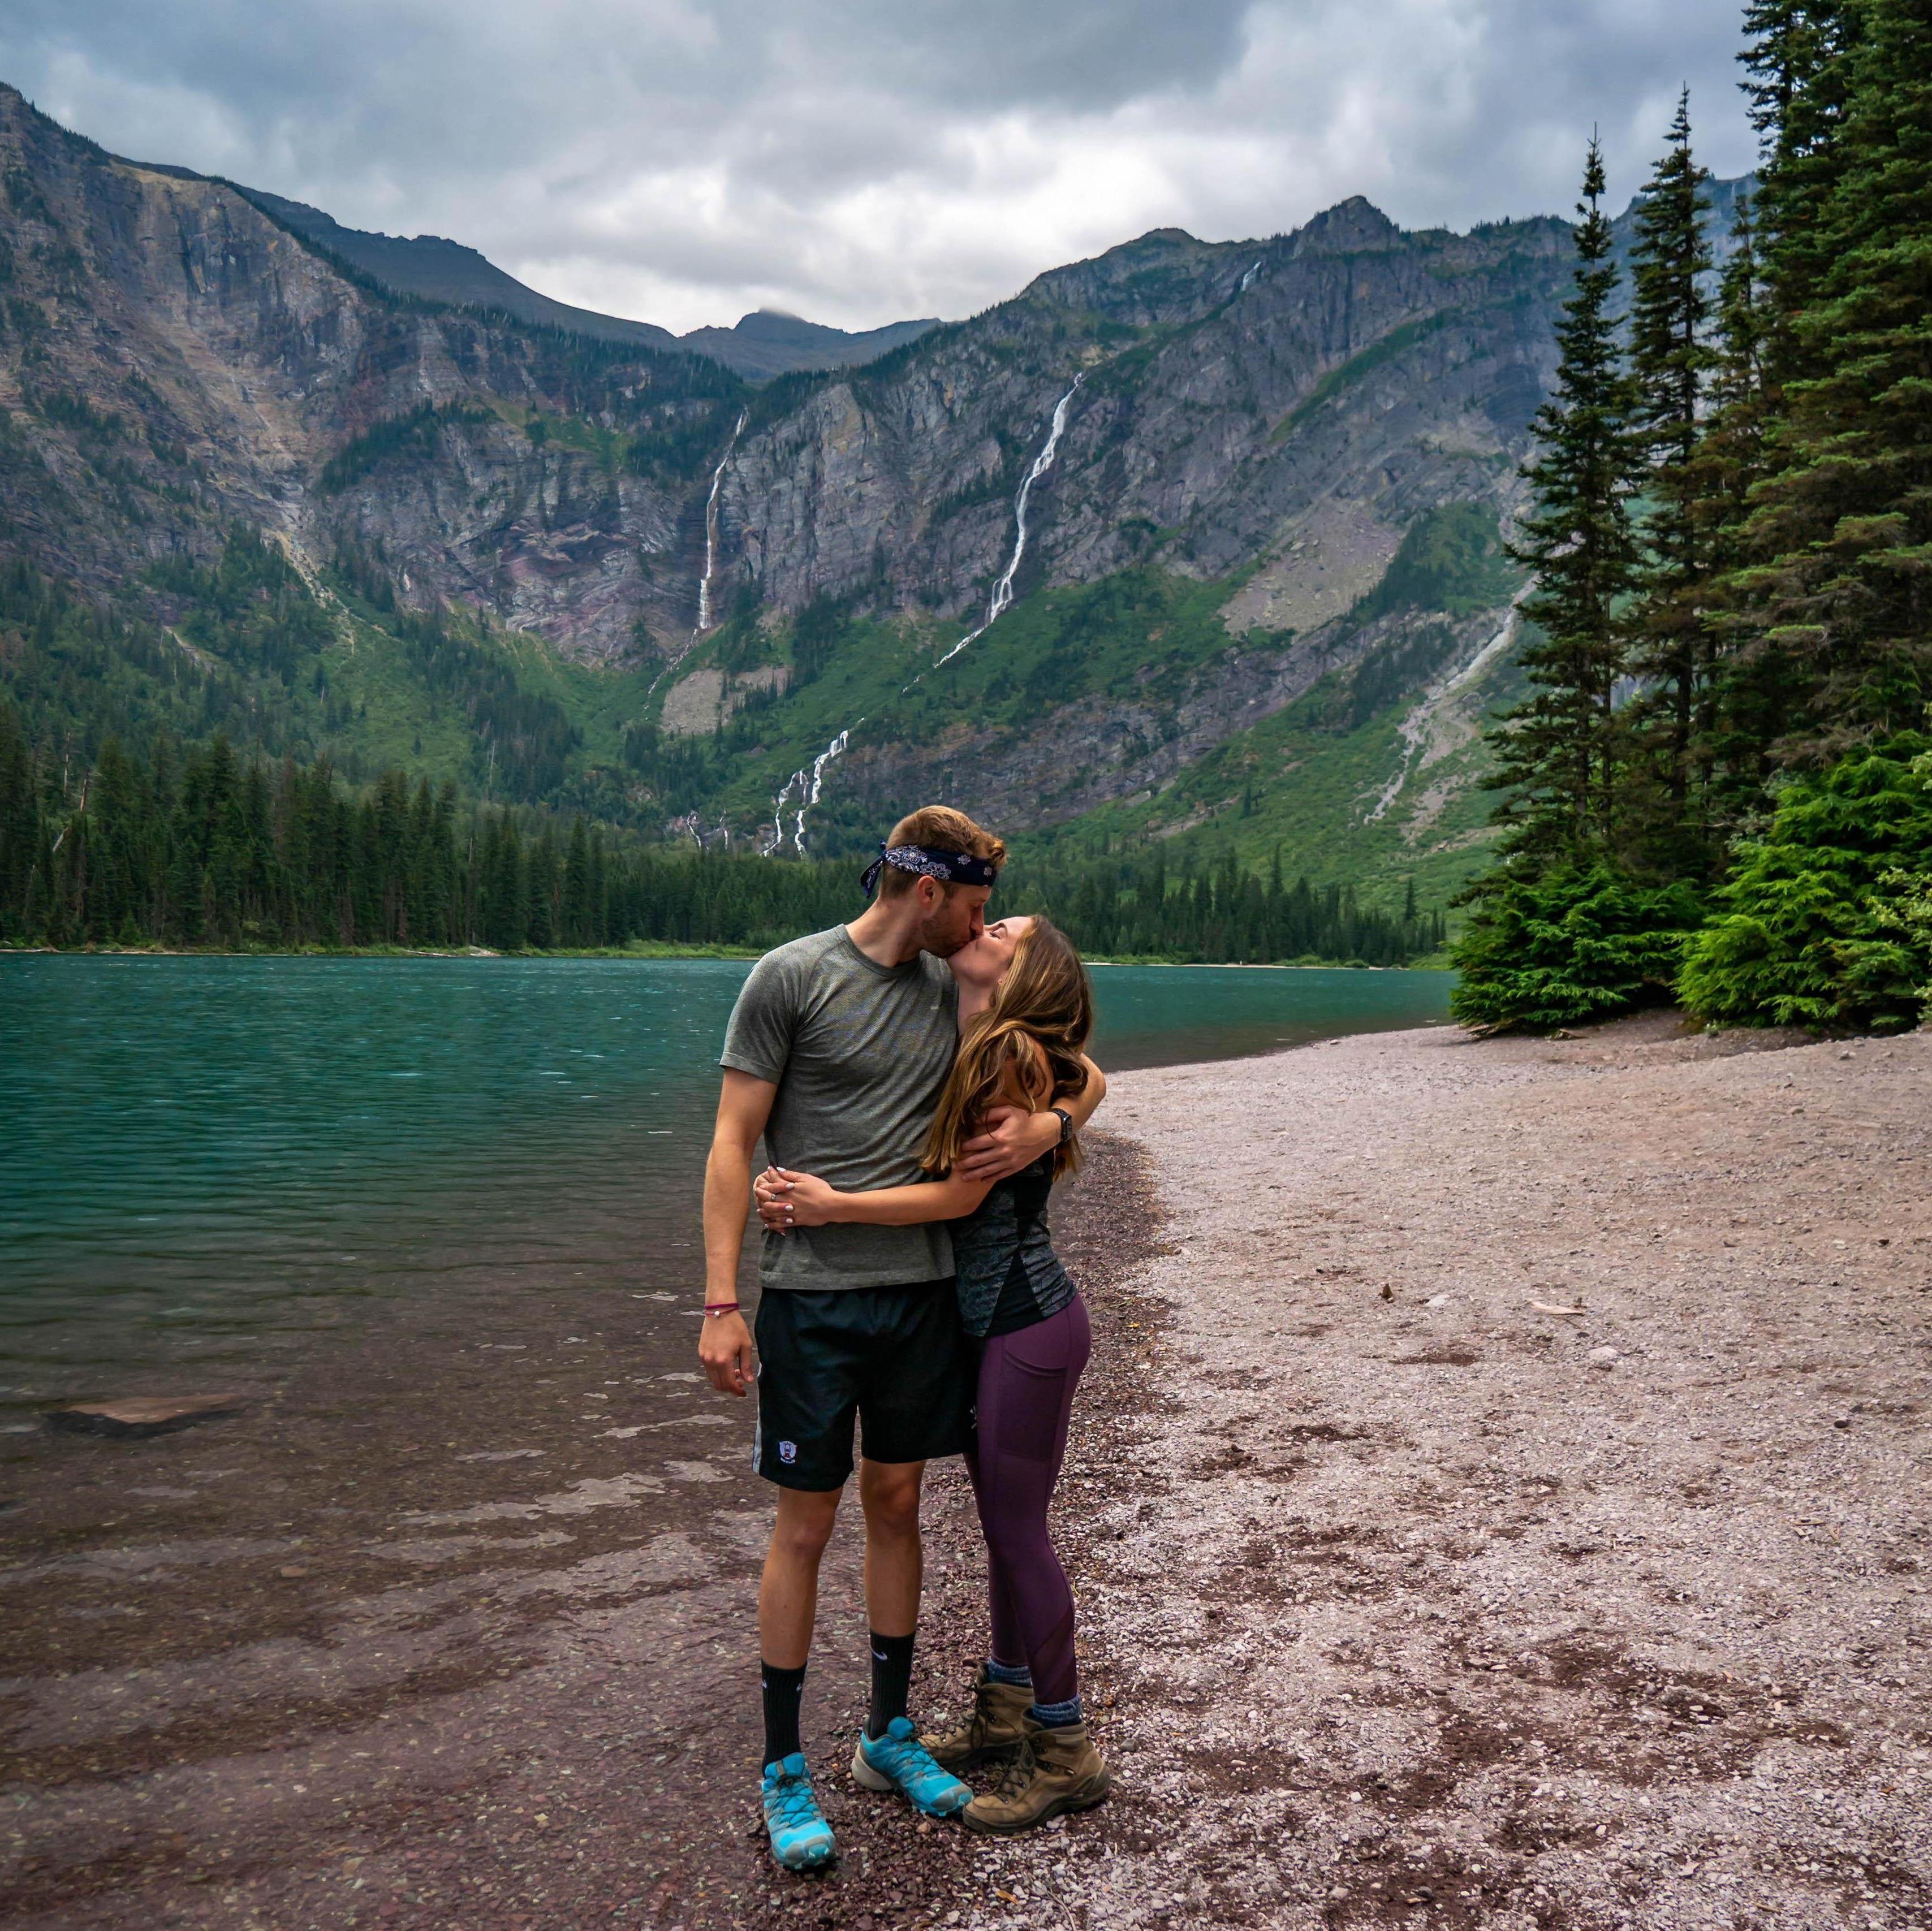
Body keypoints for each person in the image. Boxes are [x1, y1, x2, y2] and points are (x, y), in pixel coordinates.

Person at [698, 807, 1107, 1873]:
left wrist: (1060, 1122)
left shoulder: (967, 997)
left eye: (994, 919)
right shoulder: (792, 978)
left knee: (902, 1507)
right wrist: (718, 1302)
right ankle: (786, 1766)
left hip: (934, 1308)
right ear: (929, 893)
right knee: (804, 1522)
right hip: (816, 1305)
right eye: (979, 907)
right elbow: (734, 1139)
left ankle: (897, 1735)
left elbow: (1076, 1067)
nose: (985, 924)